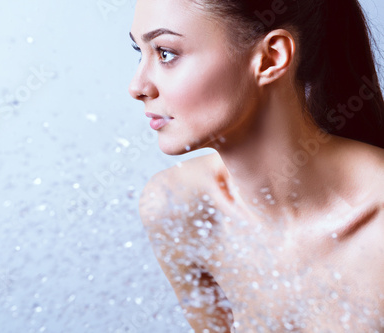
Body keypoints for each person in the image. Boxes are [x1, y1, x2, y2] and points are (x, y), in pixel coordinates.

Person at [128, 0, 384, 331]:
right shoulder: (180, 209)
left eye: (166, 53)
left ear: (270, 58)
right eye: (140, 51)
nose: (137, 87)